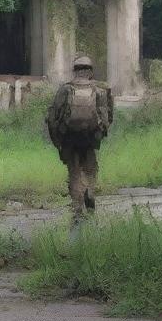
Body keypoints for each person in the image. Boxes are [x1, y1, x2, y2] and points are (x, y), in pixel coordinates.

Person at [45, 56, 114, 225]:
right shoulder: (100, 90)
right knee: (90, 168)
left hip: (69, 138)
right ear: (90, 71)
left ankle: (77, 209)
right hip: (90, 138)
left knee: (74, 171)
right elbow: (107, 118)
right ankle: (89, 191)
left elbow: (53, 118)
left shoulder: (65, 89)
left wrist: (57, 140)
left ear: (75, 71)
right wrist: (99, 133)